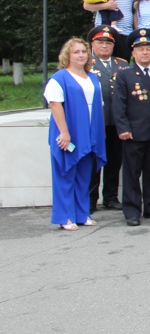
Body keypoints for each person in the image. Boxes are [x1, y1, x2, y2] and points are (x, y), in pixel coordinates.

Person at [44, 38, 106, 231]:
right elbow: (55, 104)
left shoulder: (93, 78)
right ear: (67, 56)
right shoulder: (59, 78)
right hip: (69, 134)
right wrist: (64, 132)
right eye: (76, 52)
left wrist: (99, 133)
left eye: (83, 52)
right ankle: (64, 217)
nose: (81, 55)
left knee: (84, 176)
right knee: (65, 174)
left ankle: (82, 214)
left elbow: (99, 106)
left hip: (88, 134)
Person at [113, 29, 150, 226]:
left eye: (148, 49)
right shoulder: (125, 75)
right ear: (133, 53)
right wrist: (123, 128)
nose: (145, 53)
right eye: (141, 49)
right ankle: (131, 210)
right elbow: (118, 105)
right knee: (131, 173)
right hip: (134, 133)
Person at [87, 26, 129, 213]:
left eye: (108, 43)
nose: (104, 46)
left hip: (117, 123)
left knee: (114, 161)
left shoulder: (122, 64)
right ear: (92, 45)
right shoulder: (87, 65)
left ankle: (110, 197)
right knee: (94, 162)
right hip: (96, 123)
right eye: (100, 42)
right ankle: (90, 198)